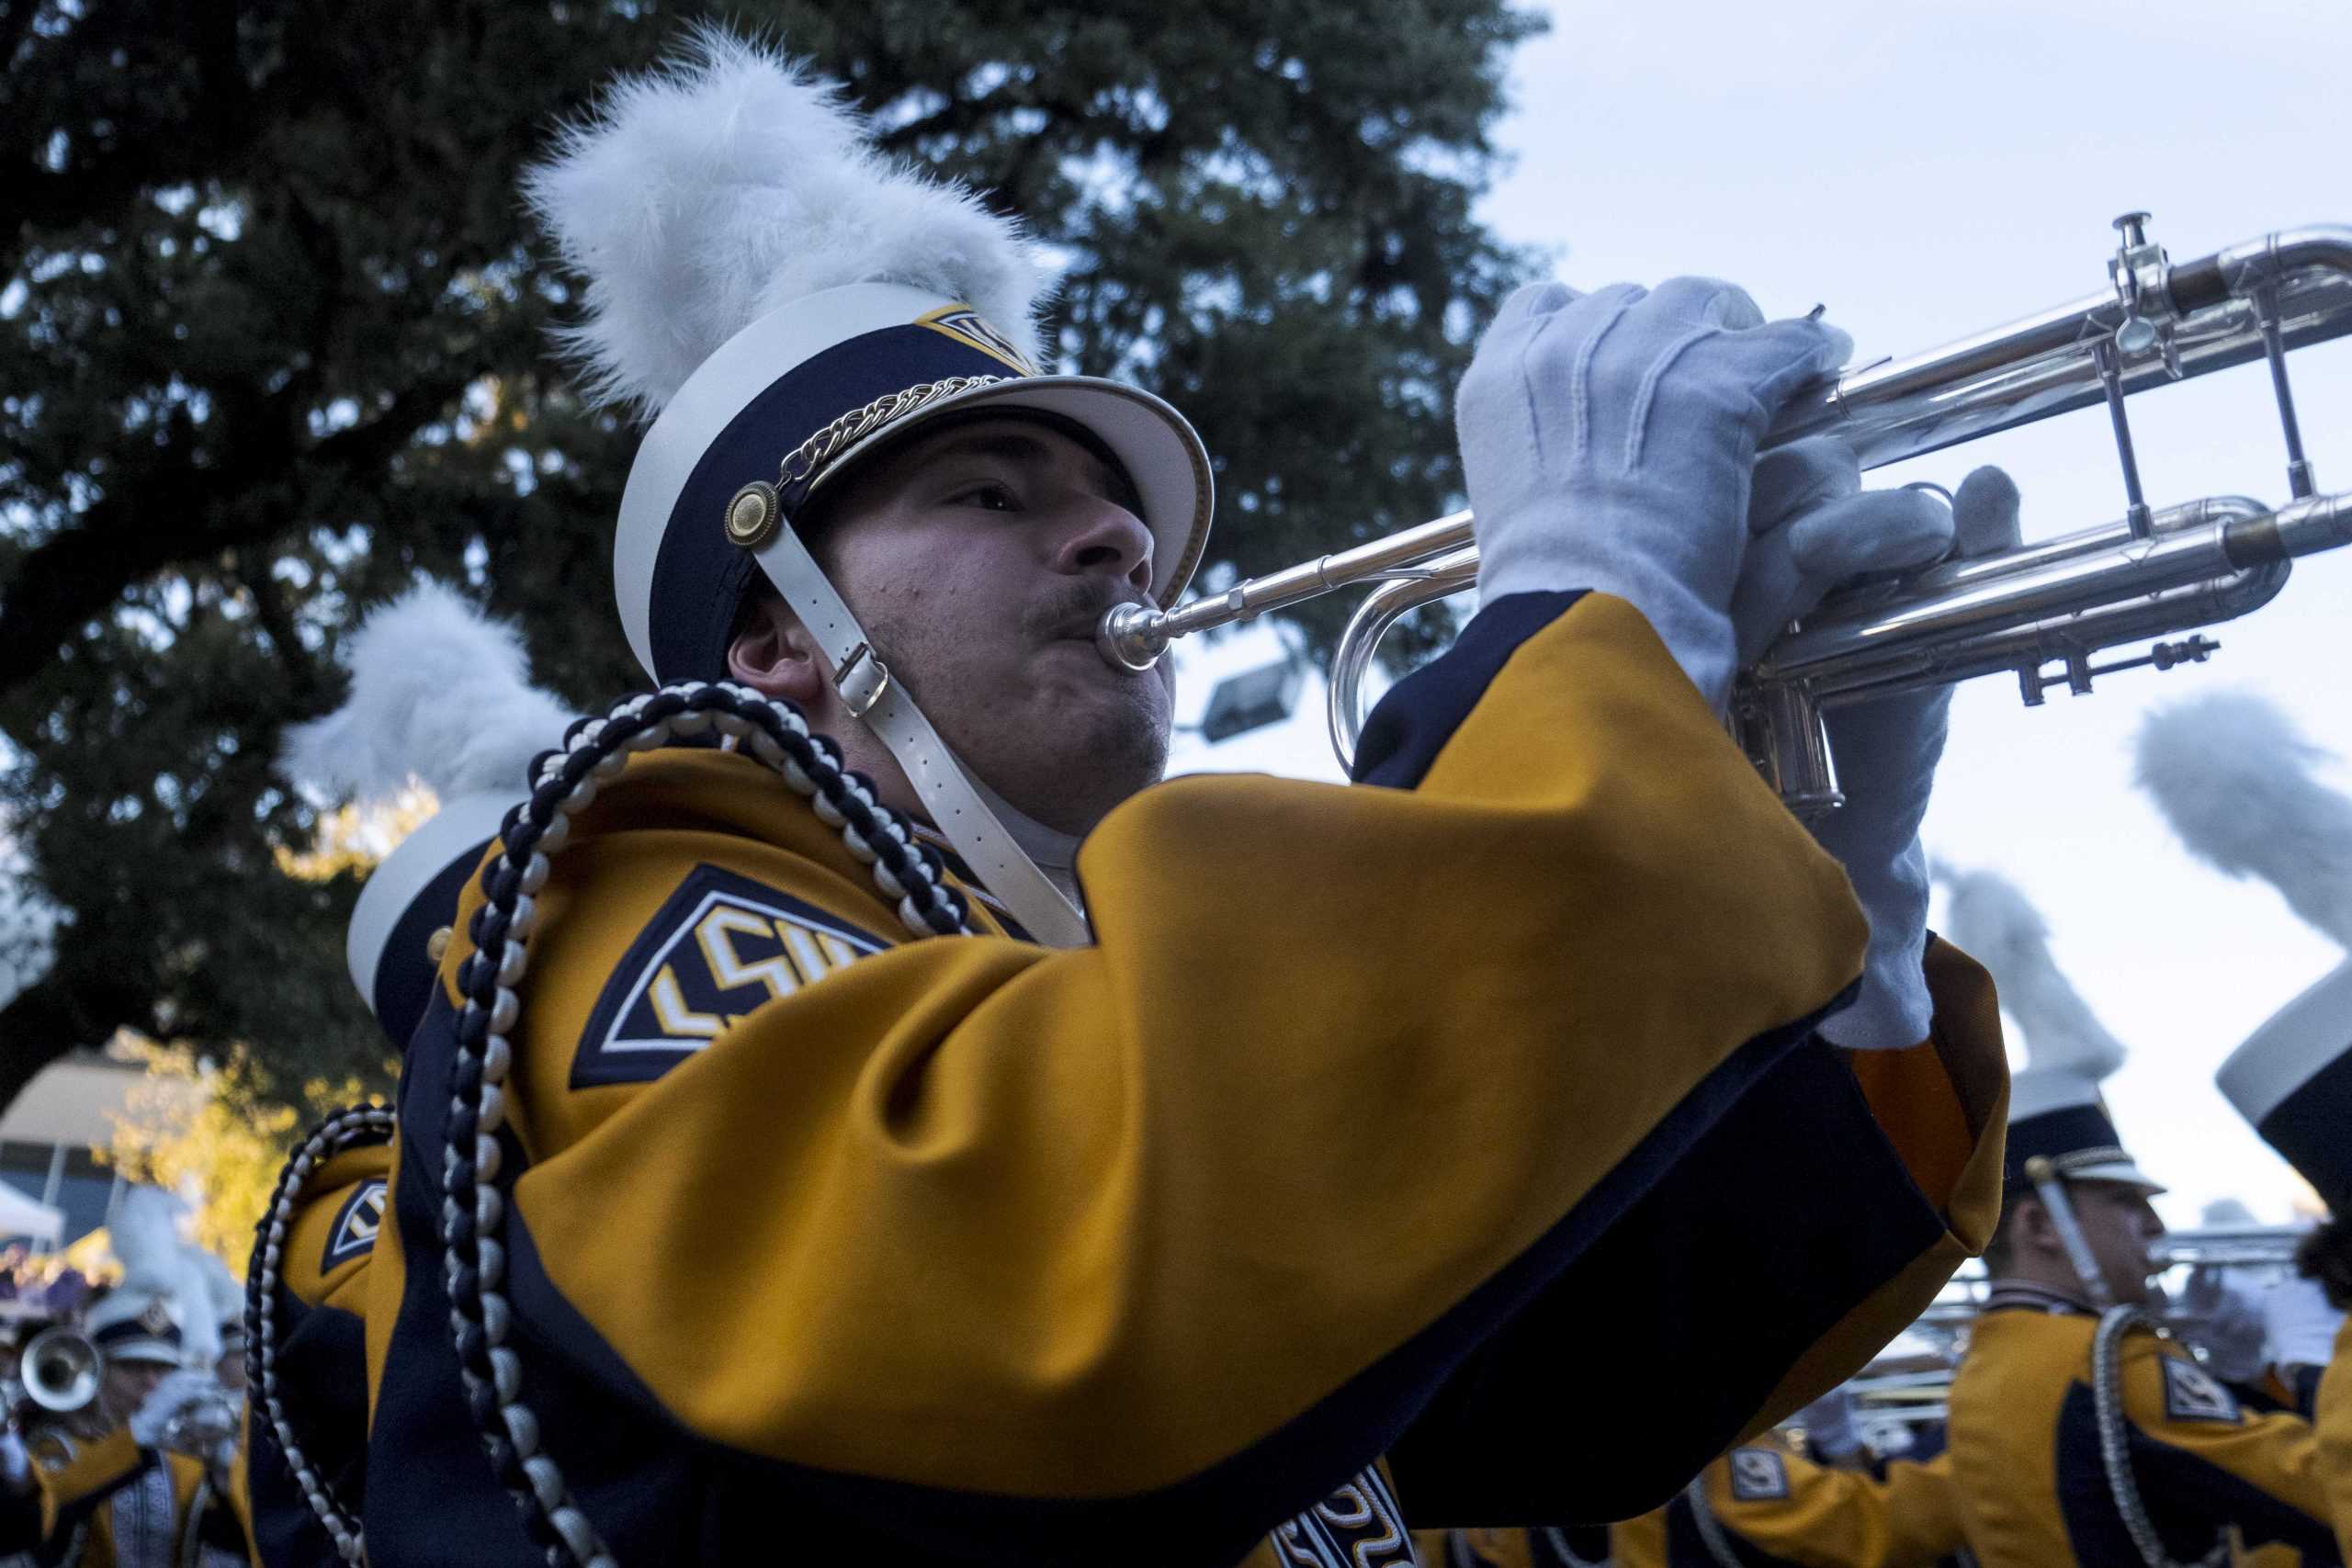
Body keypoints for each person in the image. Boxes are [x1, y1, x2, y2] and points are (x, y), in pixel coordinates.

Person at [260, 32, 2016, 1567]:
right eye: (992, 494)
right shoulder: (622, 885)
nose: (1113, 538)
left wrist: (1835, 892)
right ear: (784, 637)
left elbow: (1564, 1386)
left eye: (1110, 507)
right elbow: (1039, 1290)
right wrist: (1585, 623)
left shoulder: (1104, 1006)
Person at [1943, 1069, 2345, 1567]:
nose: (2156, 1225)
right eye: (2125, 1203)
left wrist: (2250, 1379)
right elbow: (2331, 1497)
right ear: (2040, 1224)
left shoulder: (1990, 1360)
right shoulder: (2111, 1360)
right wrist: (2316, 1368)